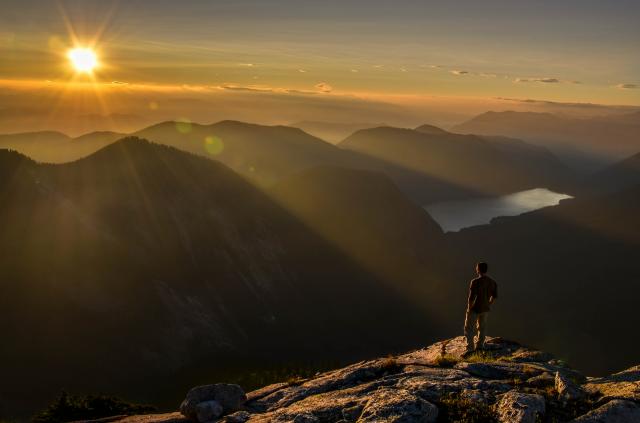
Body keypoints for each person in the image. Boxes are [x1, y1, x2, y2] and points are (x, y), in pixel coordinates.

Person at [464, 262, 498, 354]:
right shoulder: (492, 282)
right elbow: (494, 296)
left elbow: (471, 297)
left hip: (475, 308)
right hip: (485, 309)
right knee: (482, 327)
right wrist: (489, 304)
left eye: (476, 267)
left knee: (469, 328)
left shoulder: (475, 282)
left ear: (478, 269)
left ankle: (470, 349)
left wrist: (469, 308)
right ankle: (480, 346)